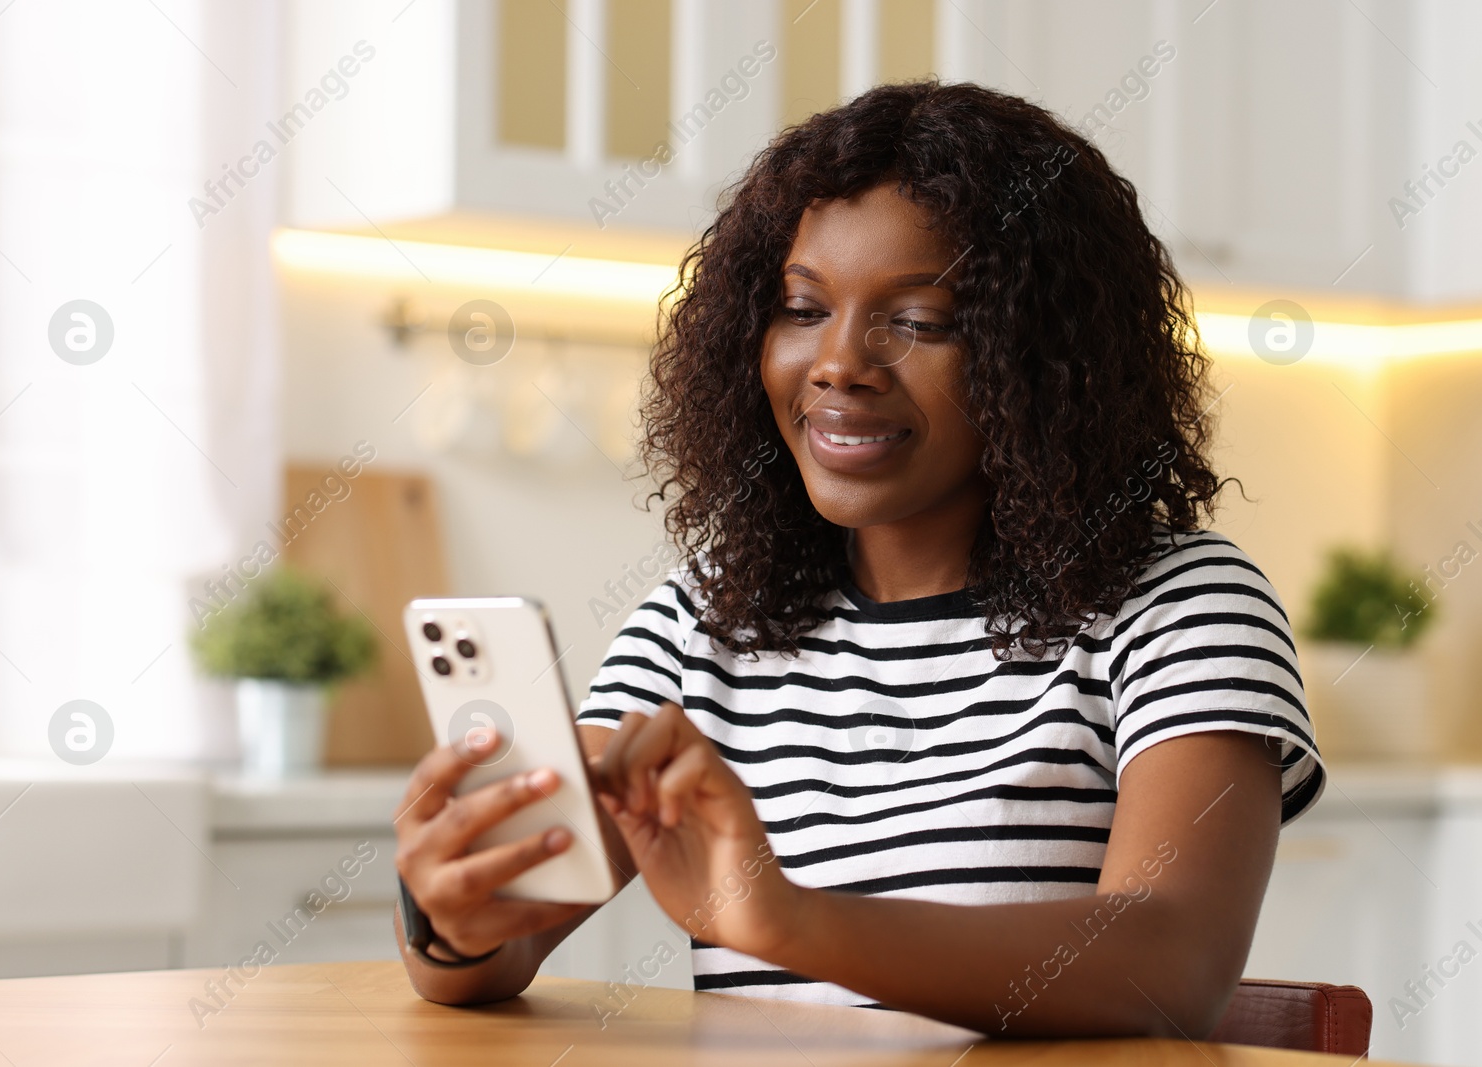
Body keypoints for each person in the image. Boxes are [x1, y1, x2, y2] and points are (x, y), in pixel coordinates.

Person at [390, 80, 1324, 1038]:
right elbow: (496, 955)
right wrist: (451, 918)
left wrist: (788, 919)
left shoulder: (1179, 604)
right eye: (802, 308)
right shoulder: (704, 619)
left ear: (1042, 359)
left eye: (918, 321)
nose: (839, 362)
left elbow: (1171, 966)